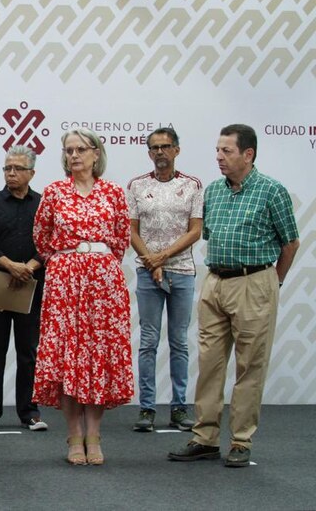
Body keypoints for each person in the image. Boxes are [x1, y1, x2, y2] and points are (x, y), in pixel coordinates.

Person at [169, 124, 298, 467]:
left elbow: (290, 243)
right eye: (218, 150)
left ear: (248, 154)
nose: (218, 157)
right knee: (209, 363)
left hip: (254, 282)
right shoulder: (212, 191)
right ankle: (205, 437)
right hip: (215, 281)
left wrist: (273, 283)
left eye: (226, 151)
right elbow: (207, 233)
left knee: (249, 366)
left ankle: (241, 441)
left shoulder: (272, 191)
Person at [32, 128, 132, 466]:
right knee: (67, 358)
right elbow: (41, 235)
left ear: (95, 153)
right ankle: (74, 436)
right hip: (64, 283)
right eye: (68, 150)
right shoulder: (54, 192)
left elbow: (120, 238)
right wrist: (66, 261)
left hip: (104, 285)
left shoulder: (114, 193)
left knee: (97, 358)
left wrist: (98, 264)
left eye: (80, 149)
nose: (73, 155)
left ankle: (95, 436)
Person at [126, 127, 202, 433]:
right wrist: (151, 261)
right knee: (147, 342)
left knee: (179, 342)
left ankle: (179, 407)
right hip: (147, 273)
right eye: (155, 147)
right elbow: (132, 231)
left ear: (177, 150)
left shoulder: (193, 185)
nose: (160, 152)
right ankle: (146, 408)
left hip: (182, 272)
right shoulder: (136, 186)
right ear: (149, 153)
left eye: (166, 146)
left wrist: (163, 257)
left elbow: (195, 230)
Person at [0, 145, 46, 432]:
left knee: (29, 352)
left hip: (30, 286)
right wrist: (10, 265)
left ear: (32, 173)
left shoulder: (42, 204)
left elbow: (50, 243)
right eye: (7, 168)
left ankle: (29, 412)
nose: (11, 173)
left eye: (17, 168)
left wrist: (29, 266)